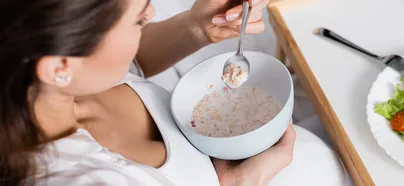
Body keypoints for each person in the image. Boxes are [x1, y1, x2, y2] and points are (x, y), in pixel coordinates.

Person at [0, 0, 349, 185]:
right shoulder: (90, 179)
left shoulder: (57, 84)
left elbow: (130, 61)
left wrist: (197, 27)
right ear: (60, 65)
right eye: (138, 19)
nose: (151, 13)